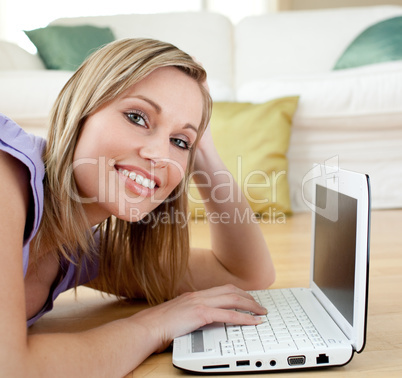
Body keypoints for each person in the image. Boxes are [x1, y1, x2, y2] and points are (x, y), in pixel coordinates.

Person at [0, 38, 275, 376]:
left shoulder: (78, 252)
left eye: (178, 142)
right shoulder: (6, 175)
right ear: (82, 108)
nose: (160, 155)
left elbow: (247, 276)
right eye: (136, 117)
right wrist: (152, 326)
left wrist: (203, 150)